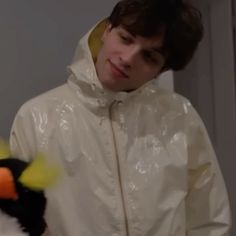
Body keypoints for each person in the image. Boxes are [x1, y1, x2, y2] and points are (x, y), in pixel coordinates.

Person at [9, 0, 231, 235]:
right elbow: (13, 220)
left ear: (161, 70)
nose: (127, 58)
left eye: (149, 56)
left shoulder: (180, 117)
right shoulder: (36, 117)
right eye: (126, 38)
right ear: (107, 30)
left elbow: (208, 220)